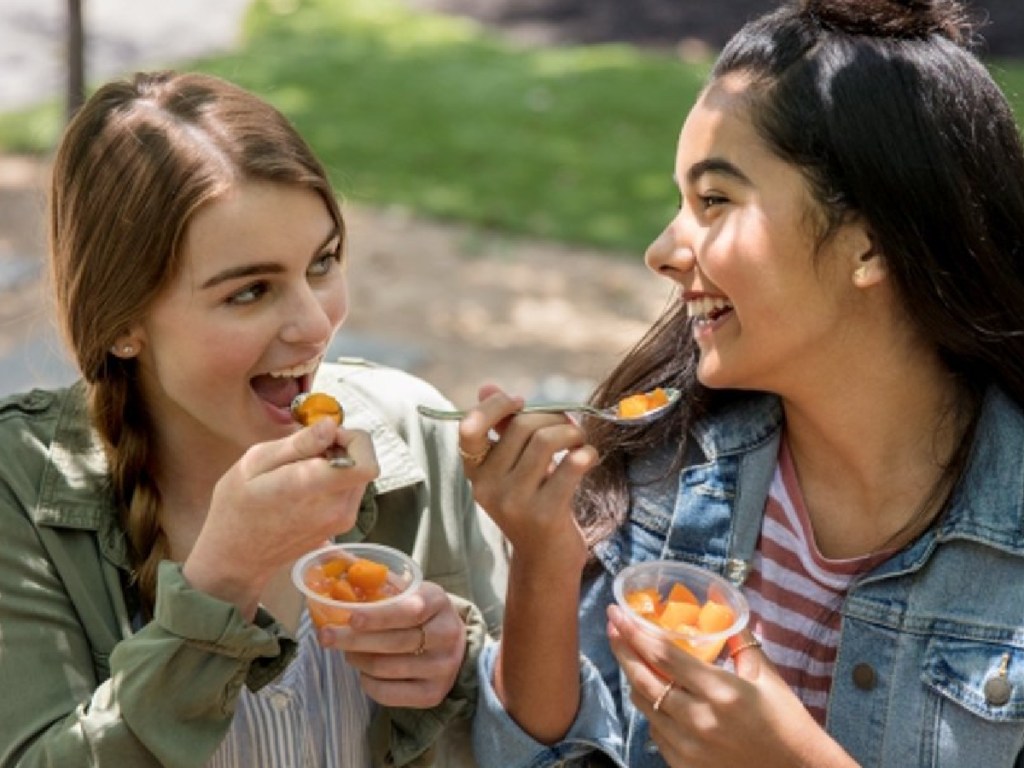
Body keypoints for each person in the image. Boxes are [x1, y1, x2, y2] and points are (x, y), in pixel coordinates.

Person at [458, 0, 1024, 765]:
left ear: (870, 243)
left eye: (714, 201)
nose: (663, 250)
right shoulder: (663, 472)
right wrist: (544, 564)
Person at [0, 70, 507, 767]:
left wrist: (469, 658)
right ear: (123, 324)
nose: (314, 324)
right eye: (250, 292)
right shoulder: (19, 491)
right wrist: (220, 583)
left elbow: (545, 736)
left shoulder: (417, 437)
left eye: (323, 263)